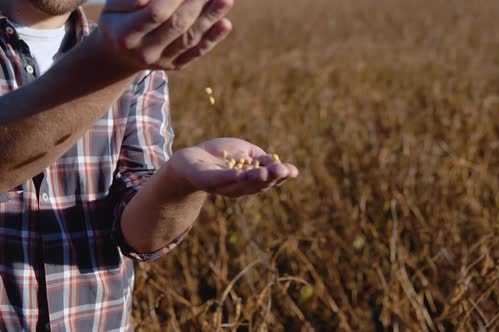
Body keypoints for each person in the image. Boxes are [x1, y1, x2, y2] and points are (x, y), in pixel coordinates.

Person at [0, 0, 299, 330]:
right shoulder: (121, 55)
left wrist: (179, 181)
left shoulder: (135, 60)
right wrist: (110, 62)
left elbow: (138, 236)